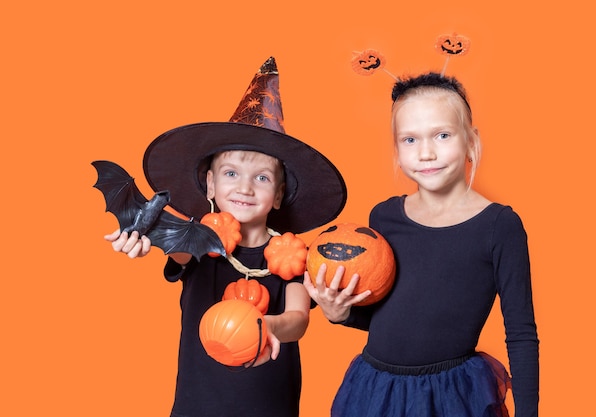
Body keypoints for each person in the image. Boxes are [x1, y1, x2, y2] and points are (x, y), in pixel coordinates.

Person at [103, 57, 347, 417]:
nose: (245, 188)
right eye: (231, 173)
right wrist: (143, 236)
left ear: (278, 195)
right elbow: (176, 248)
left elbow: (300, 318)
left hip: (270, 407)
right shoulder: (198, 241)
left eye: (262, 178)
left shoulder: (291, 255)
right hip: (197, 406)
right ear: (211, 185)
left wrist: (270, 326)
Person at [304, 72, 539, 417]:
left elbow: (520, 332)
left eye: (442, 135)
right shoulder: (383, 217)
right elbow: (388, 316)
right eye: (410, 140)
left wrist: (529, 413)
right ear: (396, 150)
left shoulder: (499, 226)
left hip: (449, 396)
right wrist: (341, 314)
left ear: (471, 141)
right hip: (375, 389)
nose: (426, 153)